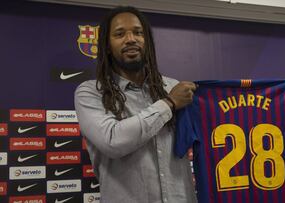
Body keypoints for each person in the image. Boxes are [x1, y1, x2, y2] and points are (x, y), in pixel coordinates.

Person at [74, 6, 197, 203]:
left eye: (138, 33)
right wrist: (169, 103)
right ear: (106, 44)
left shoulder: (172, 86)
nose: (131, 39)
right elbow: (113, 141)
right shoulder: (91, 93)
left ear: (147, 41)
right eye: (120, 33)